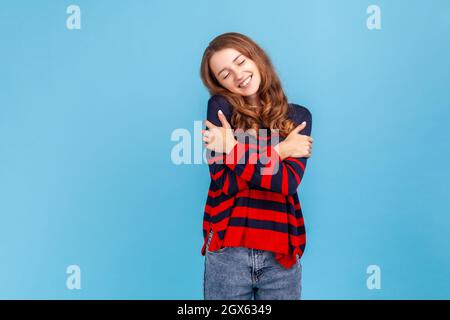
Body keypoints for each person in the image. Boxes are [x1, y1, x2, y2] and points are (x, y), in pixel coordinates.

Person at [199, 32, 314, 300]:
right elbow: (226, 184)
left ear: (256, 57)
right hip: (228, 251)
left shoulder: (298, 116)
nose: (237, 74)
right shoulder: (220, 109)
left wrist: (232, 149)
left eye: (240, 61)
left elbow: (285, 184)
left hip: (280, 254)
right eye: (225, 74)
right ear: (219, 84)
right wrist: (281, 150)